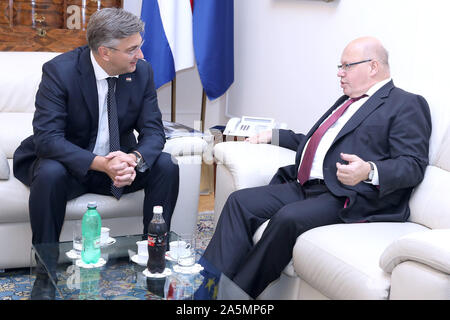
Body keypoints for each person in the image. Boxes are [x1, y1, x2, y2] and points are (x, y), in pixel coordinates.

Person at [197, 36, 432, 299]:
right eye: (340, 67)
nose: (339, 73)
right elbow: (318, 143)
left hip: (349, 196)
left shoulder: (406, 103)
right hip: (307, 186)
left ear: (373, 67)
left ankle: (234, 297)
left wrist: (369, 170)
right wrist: (276, 135)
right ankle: (205, 290)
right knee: (240, 202)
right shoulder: (347, 101)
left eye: (346, 66)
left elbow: (412, 164)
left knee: (288, 218)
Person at [13, 8, 179, 298]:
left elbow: (154, 132)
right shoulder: (60, 71)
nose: (140, 55)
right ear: (104, 52)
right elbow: (48, 139)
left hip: (117, 167)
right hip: (73, 167)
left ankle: (154, 259)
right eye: (132, 49)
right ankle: (45, 274)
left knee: (166, 165)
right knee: (49, 172)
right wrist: (101, 163)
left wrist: (134, 160)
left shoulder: (142, 72)